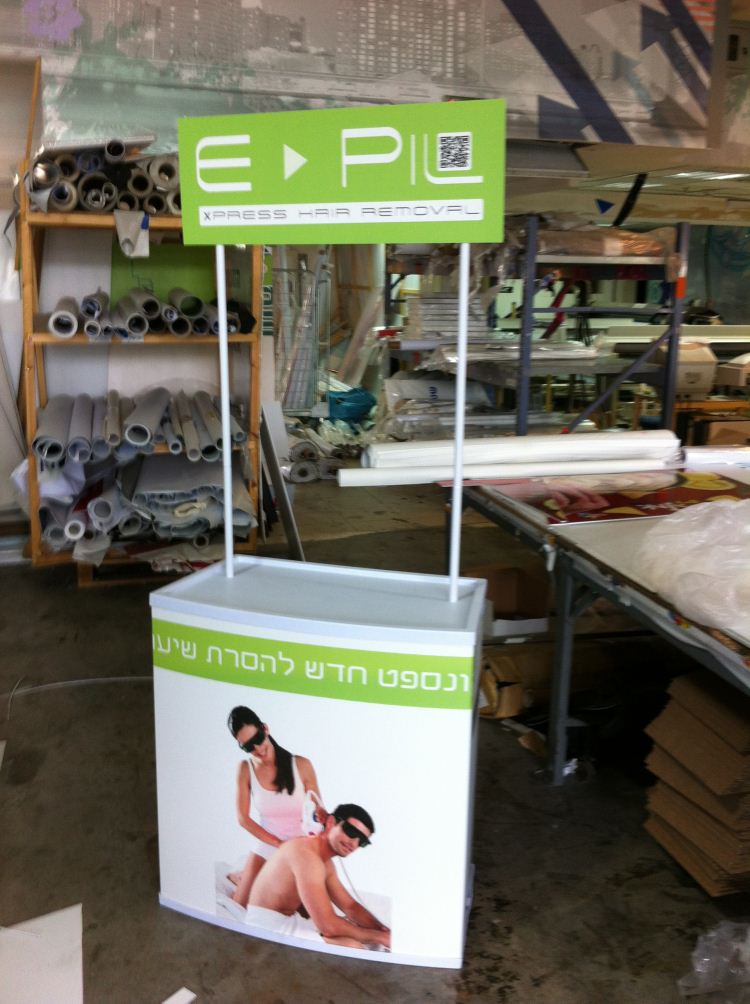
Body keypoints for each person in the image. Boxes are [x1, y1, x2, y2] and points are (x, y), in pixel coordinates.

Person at [246, 803, 391, 951]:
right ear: (331, 822)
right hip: (265, 928)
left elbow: (350, 907)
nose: (354, 843)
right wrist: (378, 937)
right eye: (351, 831)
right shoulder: (306, 855)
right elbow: (328, 926)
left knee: (359, 934)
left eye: (362, 841)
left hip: (286, 920)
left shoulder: (325, 863)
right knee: (352, 947)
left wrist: (382, 930)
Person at [227, 705, 326, 907]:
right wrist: (278, 844)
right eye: (248, 746)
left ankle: (246, 875)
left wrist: (321, 826)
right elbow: (243, 819)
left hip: (300, 845)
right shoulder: (245, 769)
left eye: (258, 739)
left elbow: (319, 810)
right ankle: (242, 877)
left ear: (265, 729)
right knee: (241, 905)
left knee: (305, 909)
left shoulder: (301, 765)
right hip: (269, 842)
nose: (257, 748)